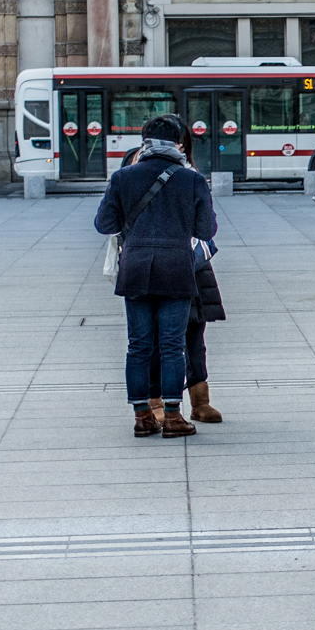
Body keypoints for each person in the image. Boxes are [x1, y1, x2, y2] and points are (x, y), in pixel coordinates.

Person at [95, 114, 215, 437]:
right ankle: (174, 417)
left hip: (135, 268)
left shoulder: (123, 177)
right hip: (176, 268)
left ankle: (143, 416)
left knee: (138, 345)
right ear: (177, 142)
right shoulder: (192, 180)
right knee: (172, 345)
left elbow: (104, 224)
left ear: (144, 141)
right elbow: (207, 229)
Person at [121, 140, 224, 425]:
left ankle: (196, 401)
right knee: (158, 343)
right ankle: (161, 407)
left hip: (190, 267)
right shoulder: (137, 166)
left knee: (190, 337)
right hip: (165, 266)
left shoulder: (188, 172)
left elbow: (205, 226)